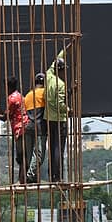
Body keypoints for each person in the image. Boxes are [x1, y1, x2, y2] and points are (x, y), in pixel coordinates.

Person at [43, 46, 70, 182]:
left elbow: (54, 62)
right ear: (62, 70)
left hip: (48, 118)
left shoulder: (48, 76)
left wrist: (65, 50)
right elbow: (60, 105)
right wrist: (68, 110)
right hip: (59, 120)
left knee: (51, 148)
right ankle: (57, 177)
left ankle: (51, 175)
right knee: (59, 149)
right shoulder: (61, 84)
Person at [0, 76, 29, 184]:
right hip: (25, 126)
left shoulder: (11, 98)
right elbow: (9, 113)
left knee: (21, 156)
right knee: (23, 155)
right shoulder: (20, 96)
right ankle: (22, 179)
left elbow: (5, 117)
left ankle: (22, 180)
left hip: (20, 128)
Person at [24, 72, 46, 183]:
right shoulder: (44, 94)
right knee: (39, 155)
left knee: (29, 154)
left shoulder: (28, 95)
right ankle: (30, 175)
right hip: (39, 127)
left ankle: (31, 176)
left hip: (28, 127)